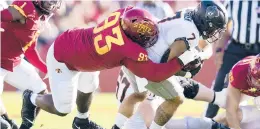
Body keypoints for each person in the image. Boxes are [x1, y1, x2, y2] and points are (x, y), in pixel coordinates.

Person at [20, 7, 200, 129]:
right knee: (63, 108)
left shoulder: (124, 14)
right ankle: (32, 98)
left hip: (77, 44)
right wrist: (182, 60)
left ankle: (82, 121)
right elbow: (155, 74)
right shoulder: (128, 50)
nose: (150, 37)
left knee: (89, 87)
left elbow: (134, 16)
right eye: (144, 34)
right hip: (62, 58)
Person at [112, 1, 228, 129]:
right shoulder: (189, 32)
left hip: (141, 63)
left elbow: (204, 47)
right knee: (175, 97)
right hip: (140, 112)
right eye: (212, 27)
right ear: (204, 21)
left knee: (178, 85)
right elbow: (165, 67)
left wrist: (197, 56)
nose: (213, 32)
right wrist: (185, 67)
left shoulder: (190, 14)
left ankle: (218, 100)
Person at [0, 0, 61, 129]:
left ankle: (25, 126)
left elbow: (30, 51)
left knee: (40, 91)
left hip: (13, 62)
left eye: (55, 1)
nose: (52, 3)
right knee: (4, 125)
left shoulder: (37, 19)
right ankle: (8, 122)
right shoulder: (27, 6)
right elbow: (2, 15)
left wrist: (47, 69)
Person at [205, 0, 260, 118]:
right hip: (236, 47)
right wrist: (219, 50)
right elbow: (223, 27)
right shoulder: (232, 1)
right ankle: (208, 119)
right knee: (220, 82)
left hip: (258, 50)